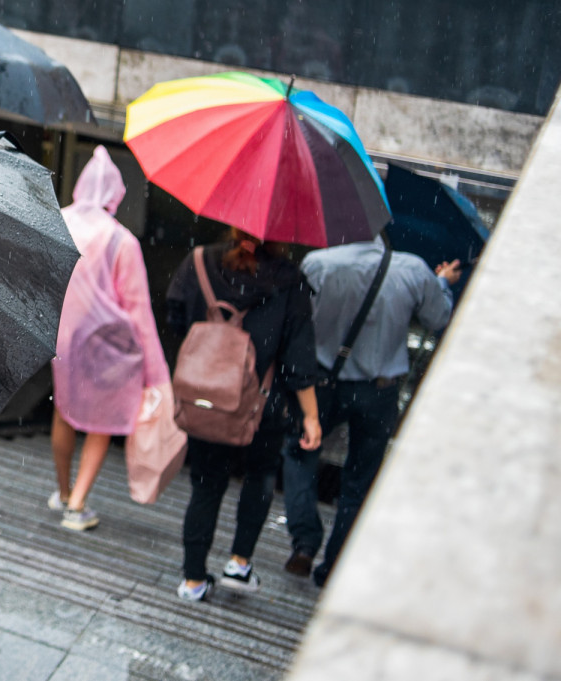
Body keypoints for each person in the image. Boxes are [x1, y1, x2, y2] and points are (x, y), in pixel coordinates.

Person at [282, 235, 461, 587]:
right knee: (360, 480)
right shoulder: (412, 268)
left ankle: (305, 540)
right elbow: (437, 318)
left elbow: (297, 321)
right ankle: (334, 564)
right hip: (379, 390)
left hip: (323, 382)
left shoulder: (318, 263)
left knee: (298, 453)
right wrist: (442, 283)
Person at [167, 230, 322, 601]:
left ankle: (192, 580)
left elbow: (175, 319)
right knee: (260, 477)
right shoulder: (290, 280)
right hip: (263, 404)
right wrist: (312, 417)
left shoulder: (200, 261)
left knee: (205, 487)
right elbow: (299, 359)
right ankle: (239, 563)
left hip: (208, 399)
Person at [50, 145, 170, 531]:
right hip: (108, 347)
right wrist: (157, 375)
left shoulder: (57, 221)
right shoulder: (122, 241)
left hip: (63, 338)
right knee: (100, 422)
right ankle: (78, 505)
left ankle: (64, 491)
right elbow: (139, 314)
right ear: (116, 195)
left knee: (64, 412)